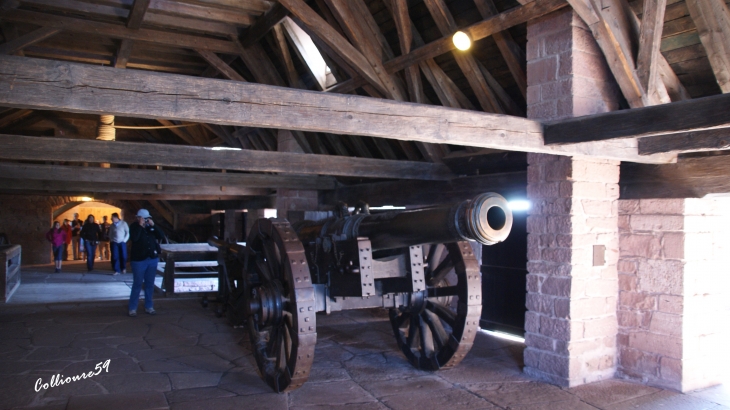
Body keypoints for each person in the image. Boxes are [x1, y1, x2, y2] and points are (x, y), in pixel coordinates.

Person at [128, 209, 165, 317]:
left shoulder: (150, 227)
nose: (146, 220)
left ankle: (149, 306)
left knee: (150, 284)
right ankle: (132, 308)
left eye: (147, 218)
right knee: (137, 284)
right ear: (138, 218)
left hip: (152, 259)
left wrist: (154, 226)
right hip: (139, 260)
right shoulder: (134, 227)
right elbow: (134, 238)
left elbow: (161, 235)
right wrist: (140, 226)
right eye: (144, 218)